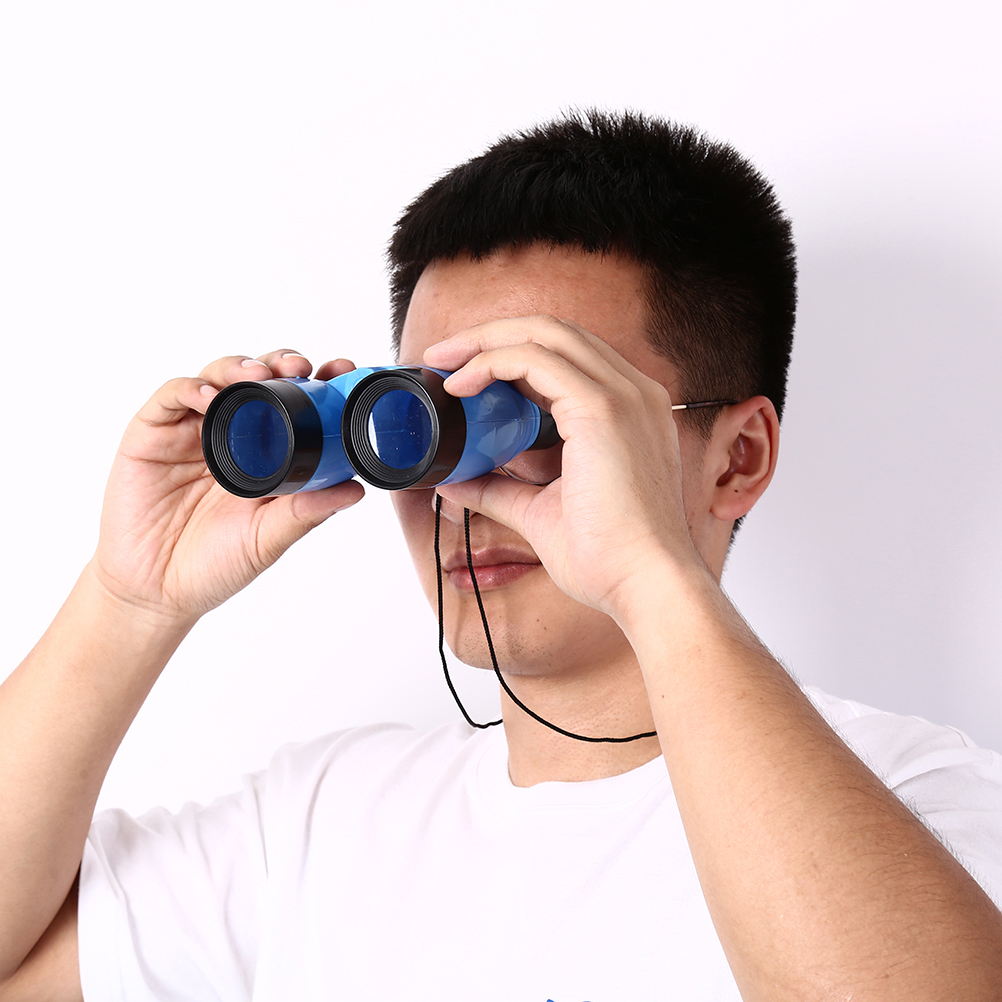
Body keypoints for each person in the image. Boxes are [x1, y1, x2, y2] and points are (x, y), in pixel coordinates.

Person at [2, 110, 1002, 1002]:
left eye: (549, 410)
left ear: (735, 458)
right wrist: (129, 600)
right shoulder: (320, 822)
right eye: (424, 422)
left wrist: (648, 576)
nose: (465, 490)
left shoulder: (917, 801)